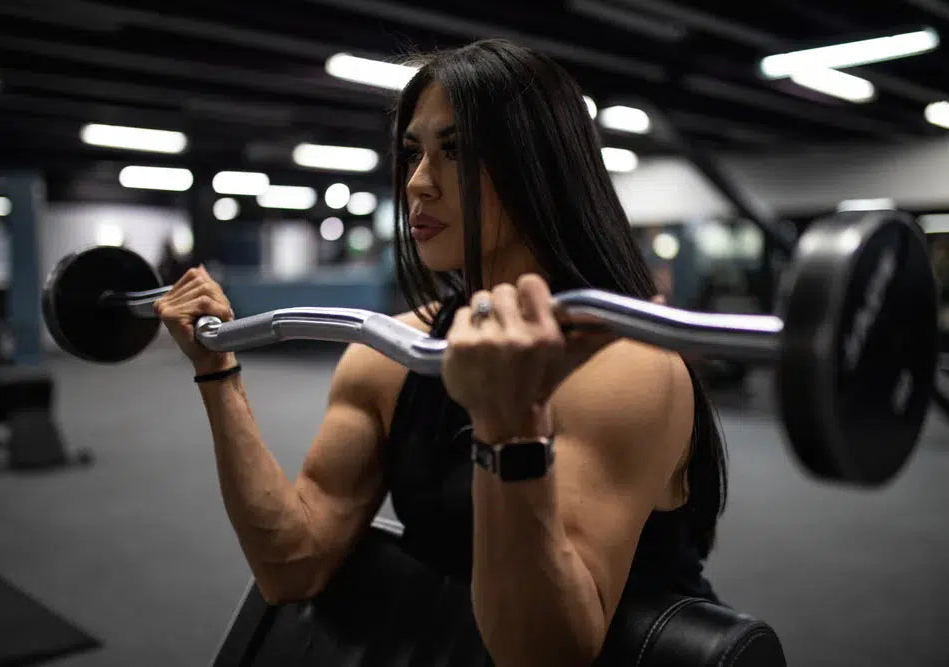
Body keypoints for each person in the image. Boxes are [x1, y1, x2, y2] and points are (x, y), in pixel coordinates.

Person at [154, 38, 727, 667]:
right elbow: (292, 566)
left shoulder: (626, 368)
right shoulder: (391, 352)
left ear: (538, 167)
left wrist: (511, 429)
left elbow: (546, 655)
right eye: (412, 154)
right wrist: (219, 373)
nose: (419, 184)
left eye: (455, 151)